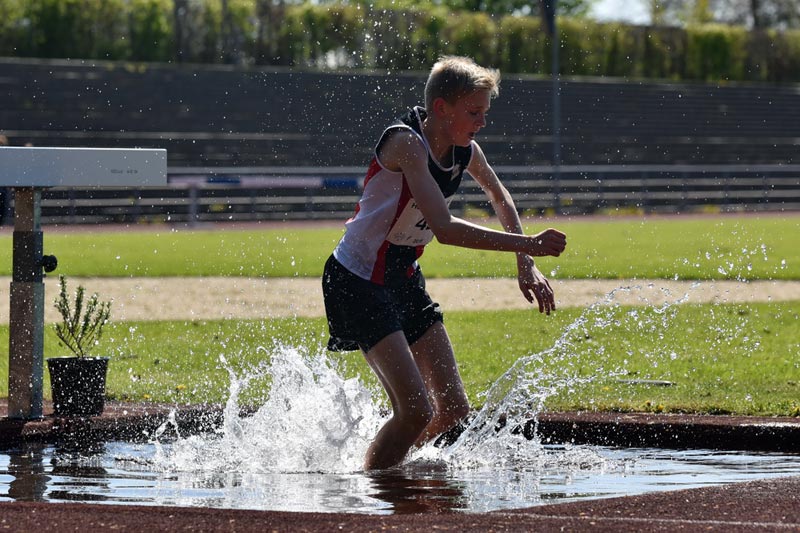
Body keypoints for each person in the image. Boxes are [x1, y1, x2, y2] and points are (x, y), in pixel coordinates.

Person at [322, 56, 567, 470]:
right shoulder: (406, 144)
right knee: (415, 409)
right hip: (357, 280)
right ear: (442, 108)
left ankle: (389, 463)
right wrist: (531, 244)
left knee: (452, 409)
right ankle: (372, 494)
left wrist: (524, 263)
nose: (482, 122)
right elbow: (445, 228)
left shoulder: (465, 150)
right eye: (474, 112)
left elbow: (499, 195)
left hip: (401, 279)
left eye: (485, 113)